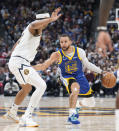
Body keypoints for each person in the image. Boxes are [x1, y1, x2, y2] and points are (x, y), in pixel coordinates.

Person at [3, 8, 62, 127]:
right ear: (43, 21)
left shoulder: (30, 33)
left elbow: (17, 44)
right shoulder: (33, 27)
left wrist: (14, 58)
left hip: (19, 62)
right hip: (19, 62)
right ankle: (27, 117)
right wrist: (51, 19)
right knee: (42, 85)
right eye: (45, 21)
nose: (46, 24)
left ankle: (13, 112)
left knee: (26, 88)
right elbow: (34, 23)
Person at [33, 34, 104, 124]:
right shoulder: (57, 55)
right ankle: (72, 115)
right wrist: (30, 67)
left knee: (91, 103)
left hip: (80, 76)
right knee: (75, 88)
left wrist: (101, 72)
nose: (63, 44)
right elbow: (44, 66)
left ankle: (78, 105)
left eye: (65, 41)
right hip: (67, 76)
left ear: (70, 42)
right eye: (61, 42)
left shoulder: (79, 51)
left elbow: (88, 64)